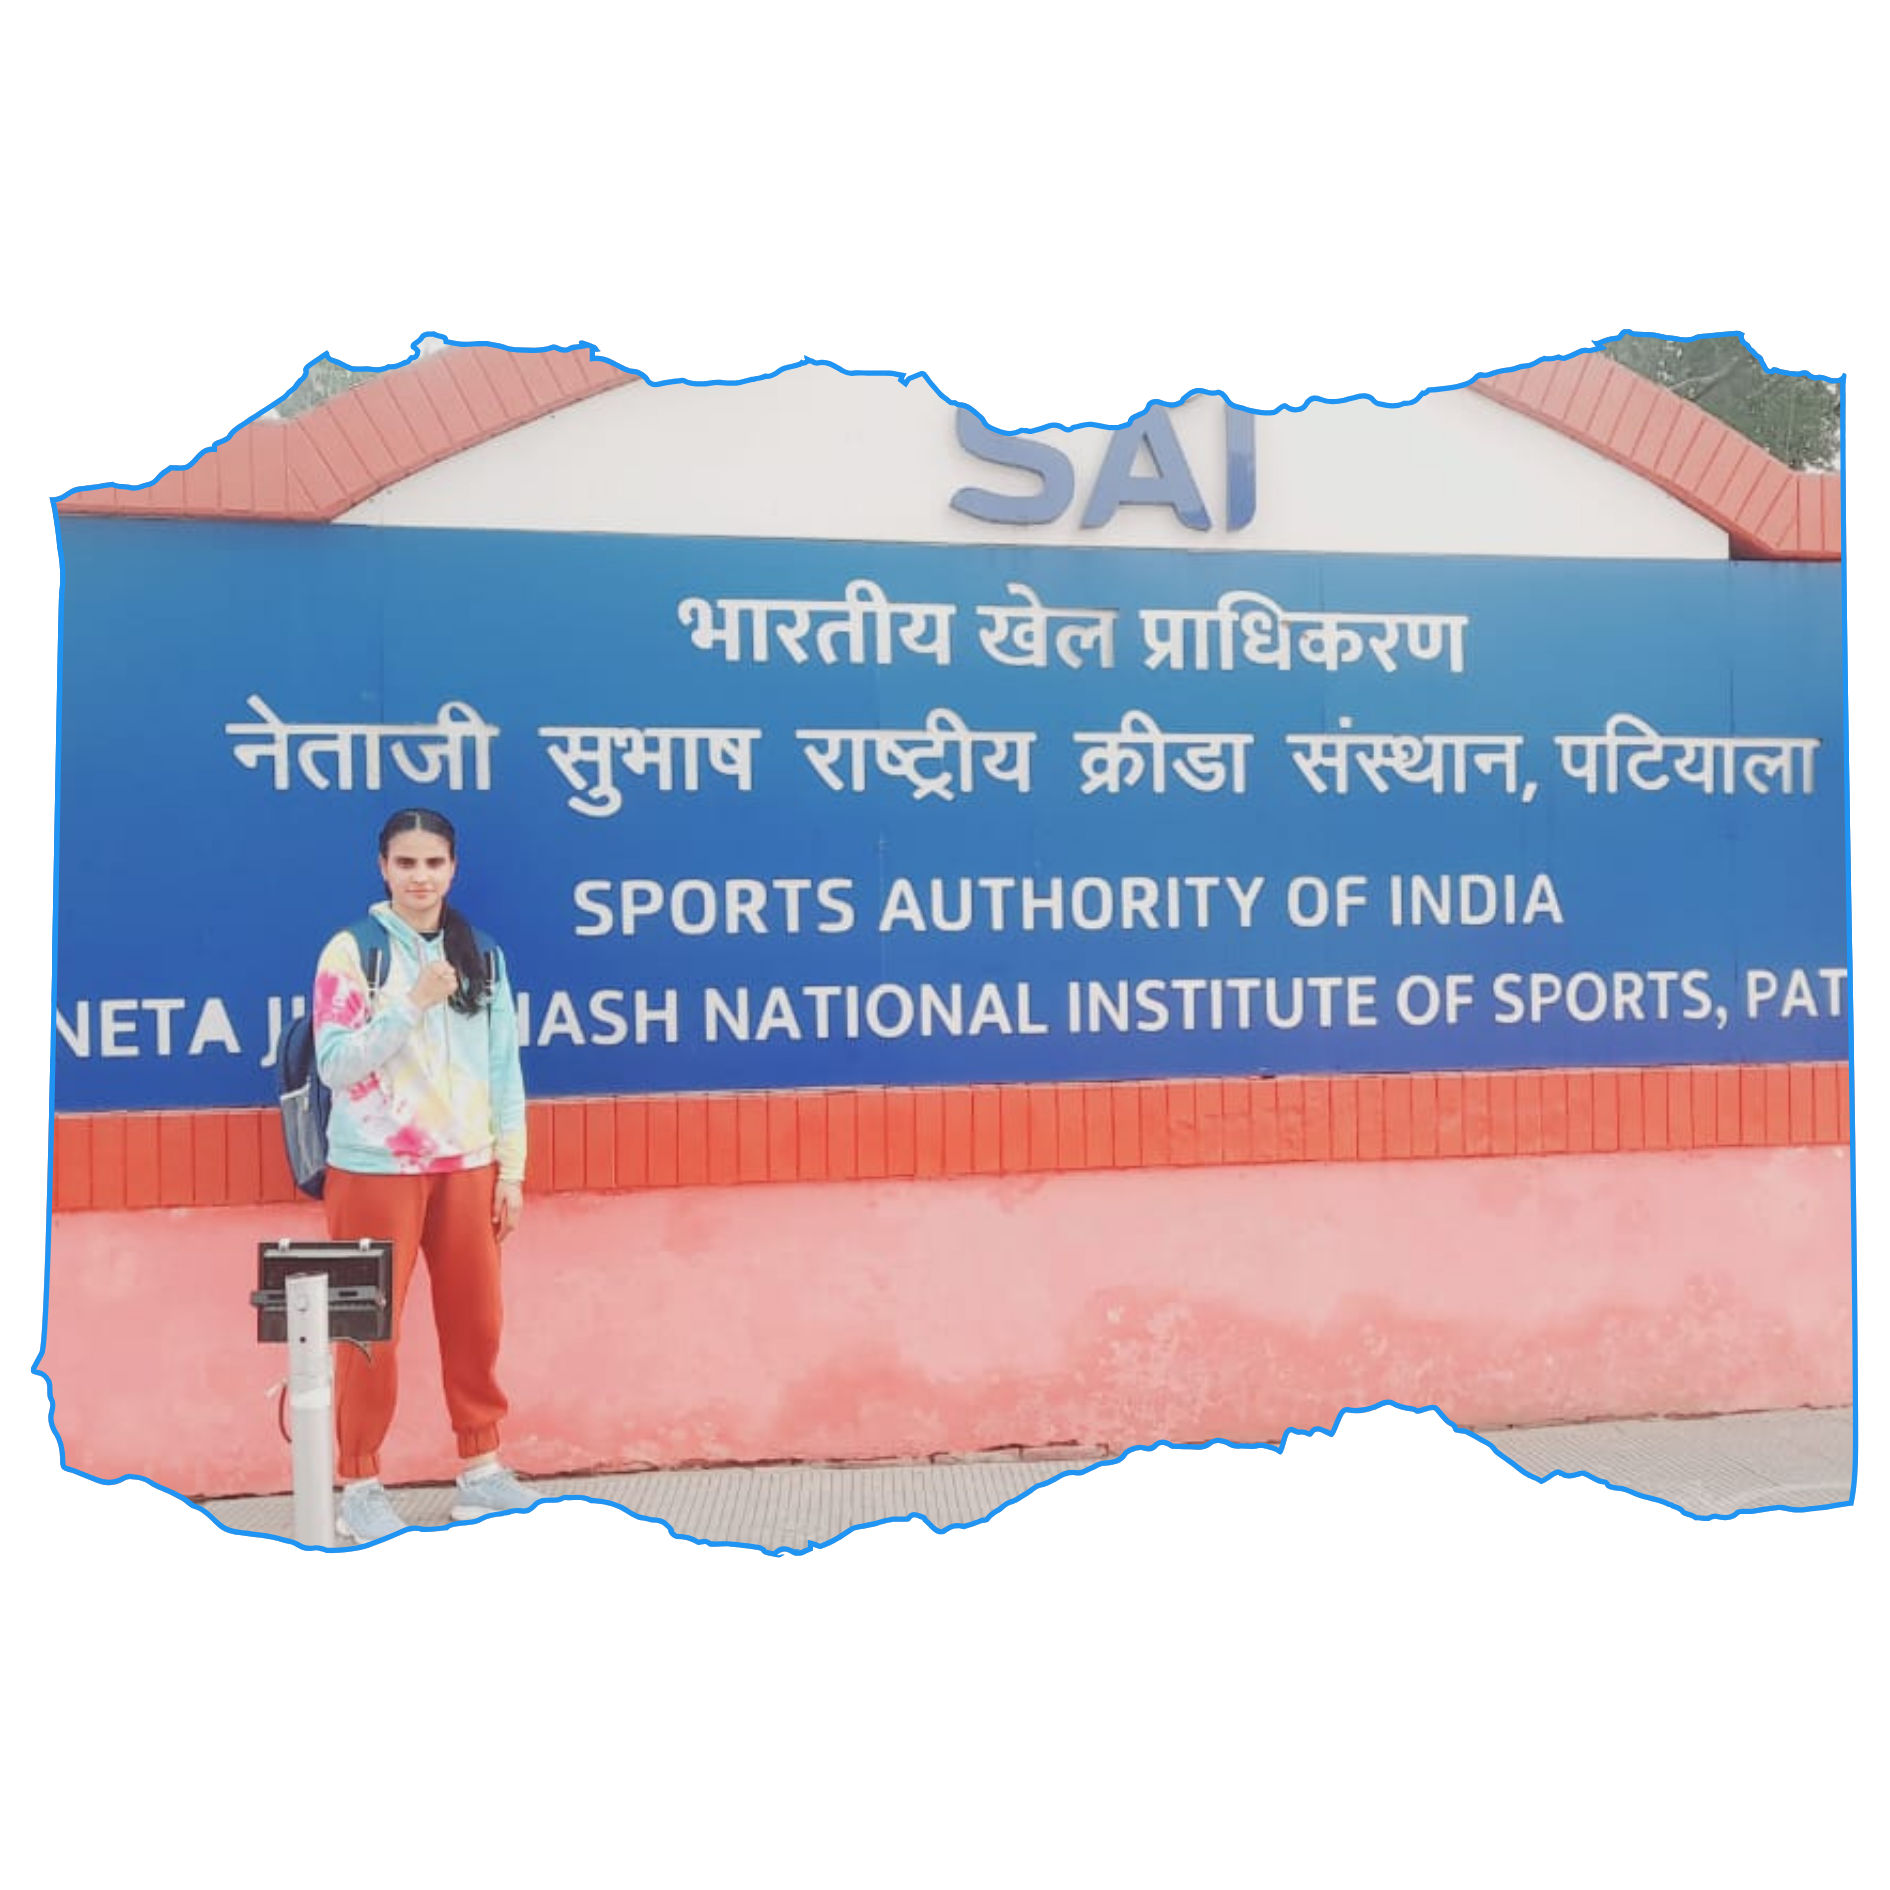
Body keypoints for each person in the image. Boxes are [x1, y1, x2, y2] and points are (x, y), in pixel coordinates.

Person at [312, 807, 533, 1543]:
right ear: (383, 868)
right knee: (367, 1330)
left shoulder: (482, 955)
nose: (420, 877)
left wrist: (511, 1171)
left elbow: (504, 1069)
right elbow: (335, 1063)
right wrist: (410, 1005)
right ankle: (360, 1483)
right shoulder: (353, 952)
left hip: (468, 1165)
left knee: (476, 1322)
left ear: (453, 869)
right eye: (405, 863)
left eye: (433, 863)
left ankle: (482, 1469)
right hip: (374, 1168)